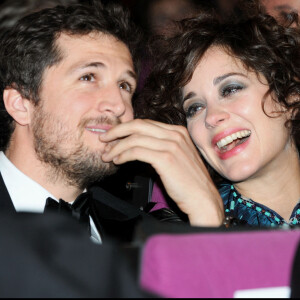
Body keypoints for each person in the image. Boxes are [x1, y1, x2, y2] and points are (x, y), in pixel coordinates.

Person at [100, 3, 300, 228]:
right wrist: (208, 221)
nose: (211, 117)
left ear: (291, 96)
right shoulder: (169, 232)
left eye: (230, 89)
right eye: (195, 108)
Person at [0, 1, 154, 244]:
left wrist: (204, 211)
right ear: (20, 104)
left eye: (125, 86)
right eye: (89, 77)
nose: (118, 105)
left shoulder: (142, 234)